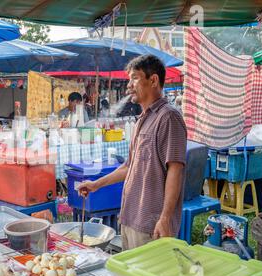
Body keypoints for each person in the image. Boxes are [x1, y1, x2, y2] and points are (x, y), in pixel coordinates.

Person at [78, 54, 187, 250]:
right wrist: (96, 184)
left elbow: (175, 170)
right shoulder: (141, 121)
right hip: (130, 217)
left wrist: (165, 218)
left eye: (135, 78)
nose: (129, 85)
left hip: (151, 224)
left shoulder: (169, 117)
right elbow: (129, 166)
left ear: (153, 80)